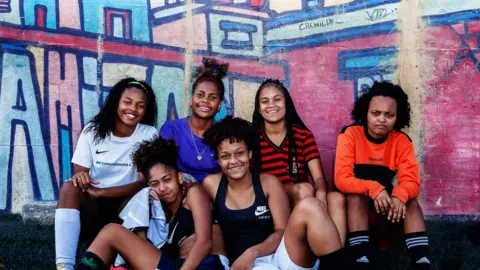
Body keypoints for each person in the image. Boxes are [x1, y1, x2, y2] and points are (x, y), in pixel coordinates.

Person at [202, 116, 352, 270]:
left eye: (239, 153)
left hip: (278, 255)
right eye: (225, 156)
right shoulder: (211, 185)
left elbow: (281, 231)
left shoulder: (269, 183)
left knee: (311, 205)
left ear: (250, 154)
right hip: (245, 265)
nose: (233, 161)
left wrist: (253, 252)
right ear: (219, 161)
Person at [75, 136, 229, 270]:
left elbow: (205, 243)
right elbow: (126, 218)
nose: (162, 188)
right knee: (111, 232)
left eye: (167, 180)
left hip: (208, 264)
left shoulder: (192, 193)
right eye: (155, 183)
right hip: (177, 265)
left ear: (180, 177)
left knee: (111, 231)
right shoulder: (161, 211)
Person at [55, 78, 158, 270]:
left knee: (147, 195)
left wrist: (102, 192)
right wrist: (81, 178)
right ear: (116, 102)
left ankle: (126, 259)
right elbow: (80, 173)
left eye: (140, 105)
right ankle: (63, 266)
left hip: (127, 206)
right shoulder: (93, 130)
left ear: (146, 110)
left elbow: (144, 182)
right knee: (69, 187)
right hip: (93, 208)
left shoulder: (148, 134)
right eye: (127, 102)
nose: (132, 109)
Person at [334, 81, 431, 269]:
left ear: (397, 117)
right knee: (356, 196)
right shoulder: (350, 135)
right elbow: (341, 178)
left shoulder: (401, 141)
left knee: (409, 200)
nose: (381, 120)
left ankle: (421, 261)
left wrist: (400, 195)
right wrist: (374, 188)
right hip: (355, 214)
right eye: (375, 113)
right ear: (365, 112)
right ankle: (360, 259)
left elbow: (411, 181)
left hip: (386, 214)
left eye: (389, 115)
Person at [251, 79, 347, 245]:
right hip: (268, 200)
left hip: (304, 197)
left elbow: (318, 177)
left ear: (286, 103)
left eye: (277, 99)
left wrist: (322, 195)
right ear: (259, 109)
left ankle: (336, 258)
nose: (271, 105)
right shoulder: (252, 139)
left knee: (336, 198)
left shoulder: (302, 135)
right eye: (265, 101)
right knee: (304, 189)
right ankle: (299, 249)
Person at [160, 57, 229, 183]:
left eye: (212, 97)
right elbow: (163, 171)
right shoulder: (172, 130)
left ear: (219, 105)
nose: (205, 100)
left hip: (214, 194)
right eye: (200, 95)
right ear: (192, 100)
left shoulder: (224, 135)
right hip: (179, 194)